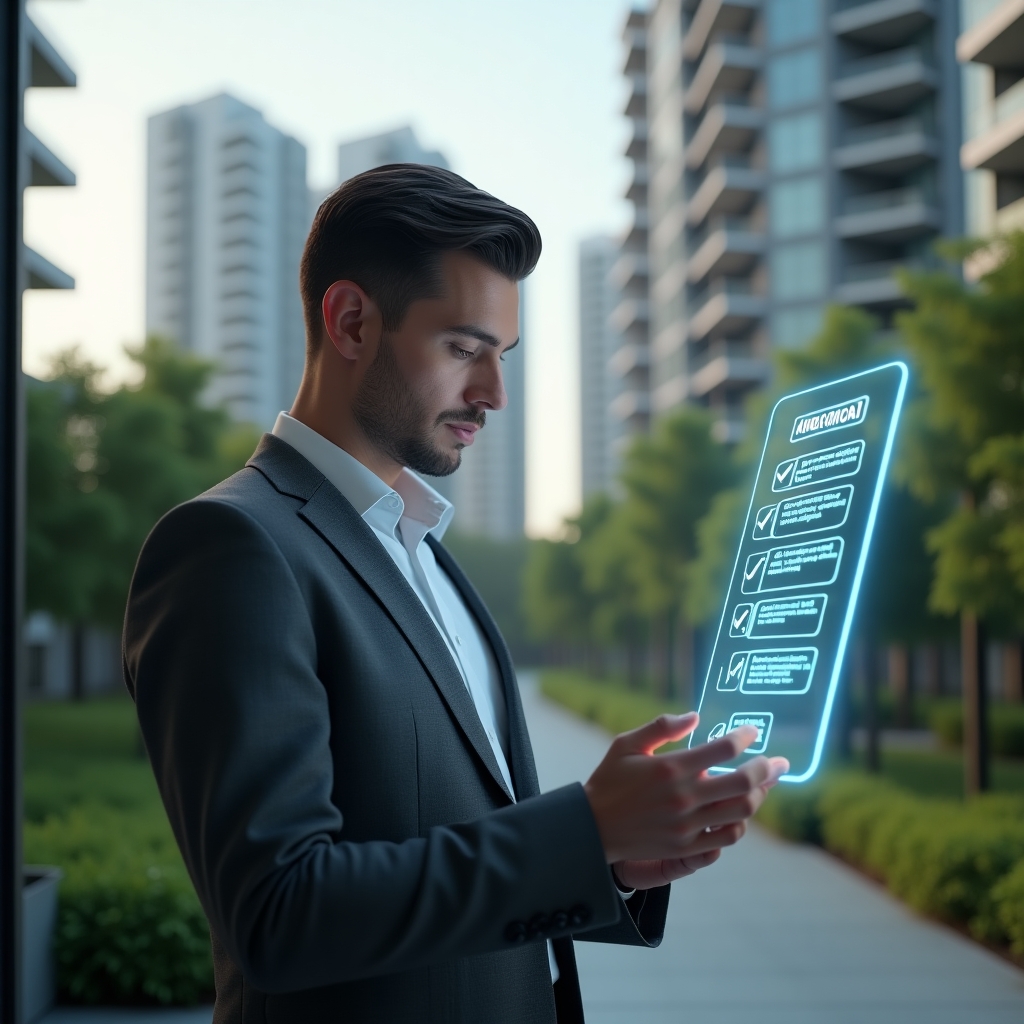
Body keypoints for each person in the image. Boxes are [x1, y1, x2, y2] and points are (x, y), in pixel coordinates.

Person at [124, 164, 789, 1024]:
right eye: (465, 349)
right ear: (351, 321)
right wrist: (583, 828)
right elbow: (279, 914)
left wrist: (610, 858)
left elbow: (463, 841)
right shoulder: (231, 547)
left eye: (501, 357)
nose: (494, 395)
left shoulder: (425, 552)